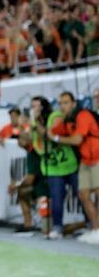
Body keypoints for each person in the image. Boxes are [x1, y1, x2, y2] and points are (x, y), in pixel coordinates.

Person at [49, 91, 99, 243]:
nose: (63, 106)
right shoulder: (68, 120)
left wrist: (56, 137)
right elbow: (52, 131)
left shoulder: (83, 115)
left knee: (98, 193)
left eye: (66, 102)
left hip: (97, 156)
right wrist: (50, 127)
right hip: (85, 160)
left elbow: (77, 140)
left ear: (73, 104)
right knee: (83, 195)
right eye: (60, 103)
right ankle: (95, 230)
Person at [33, 94, 78, 239]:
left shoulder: (55, 115)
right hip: (53, 168)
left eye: (38, 106)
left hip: (69, 165)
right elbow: (28, 142)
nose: (35, 109)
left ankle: (92, 225)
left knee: (82, 196)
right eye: (33, 106)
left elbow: (52, 132)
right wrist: (26, 127)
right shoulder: (35, 124)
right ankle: (58, 228)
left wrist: (38, 125)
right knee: (56, 198)